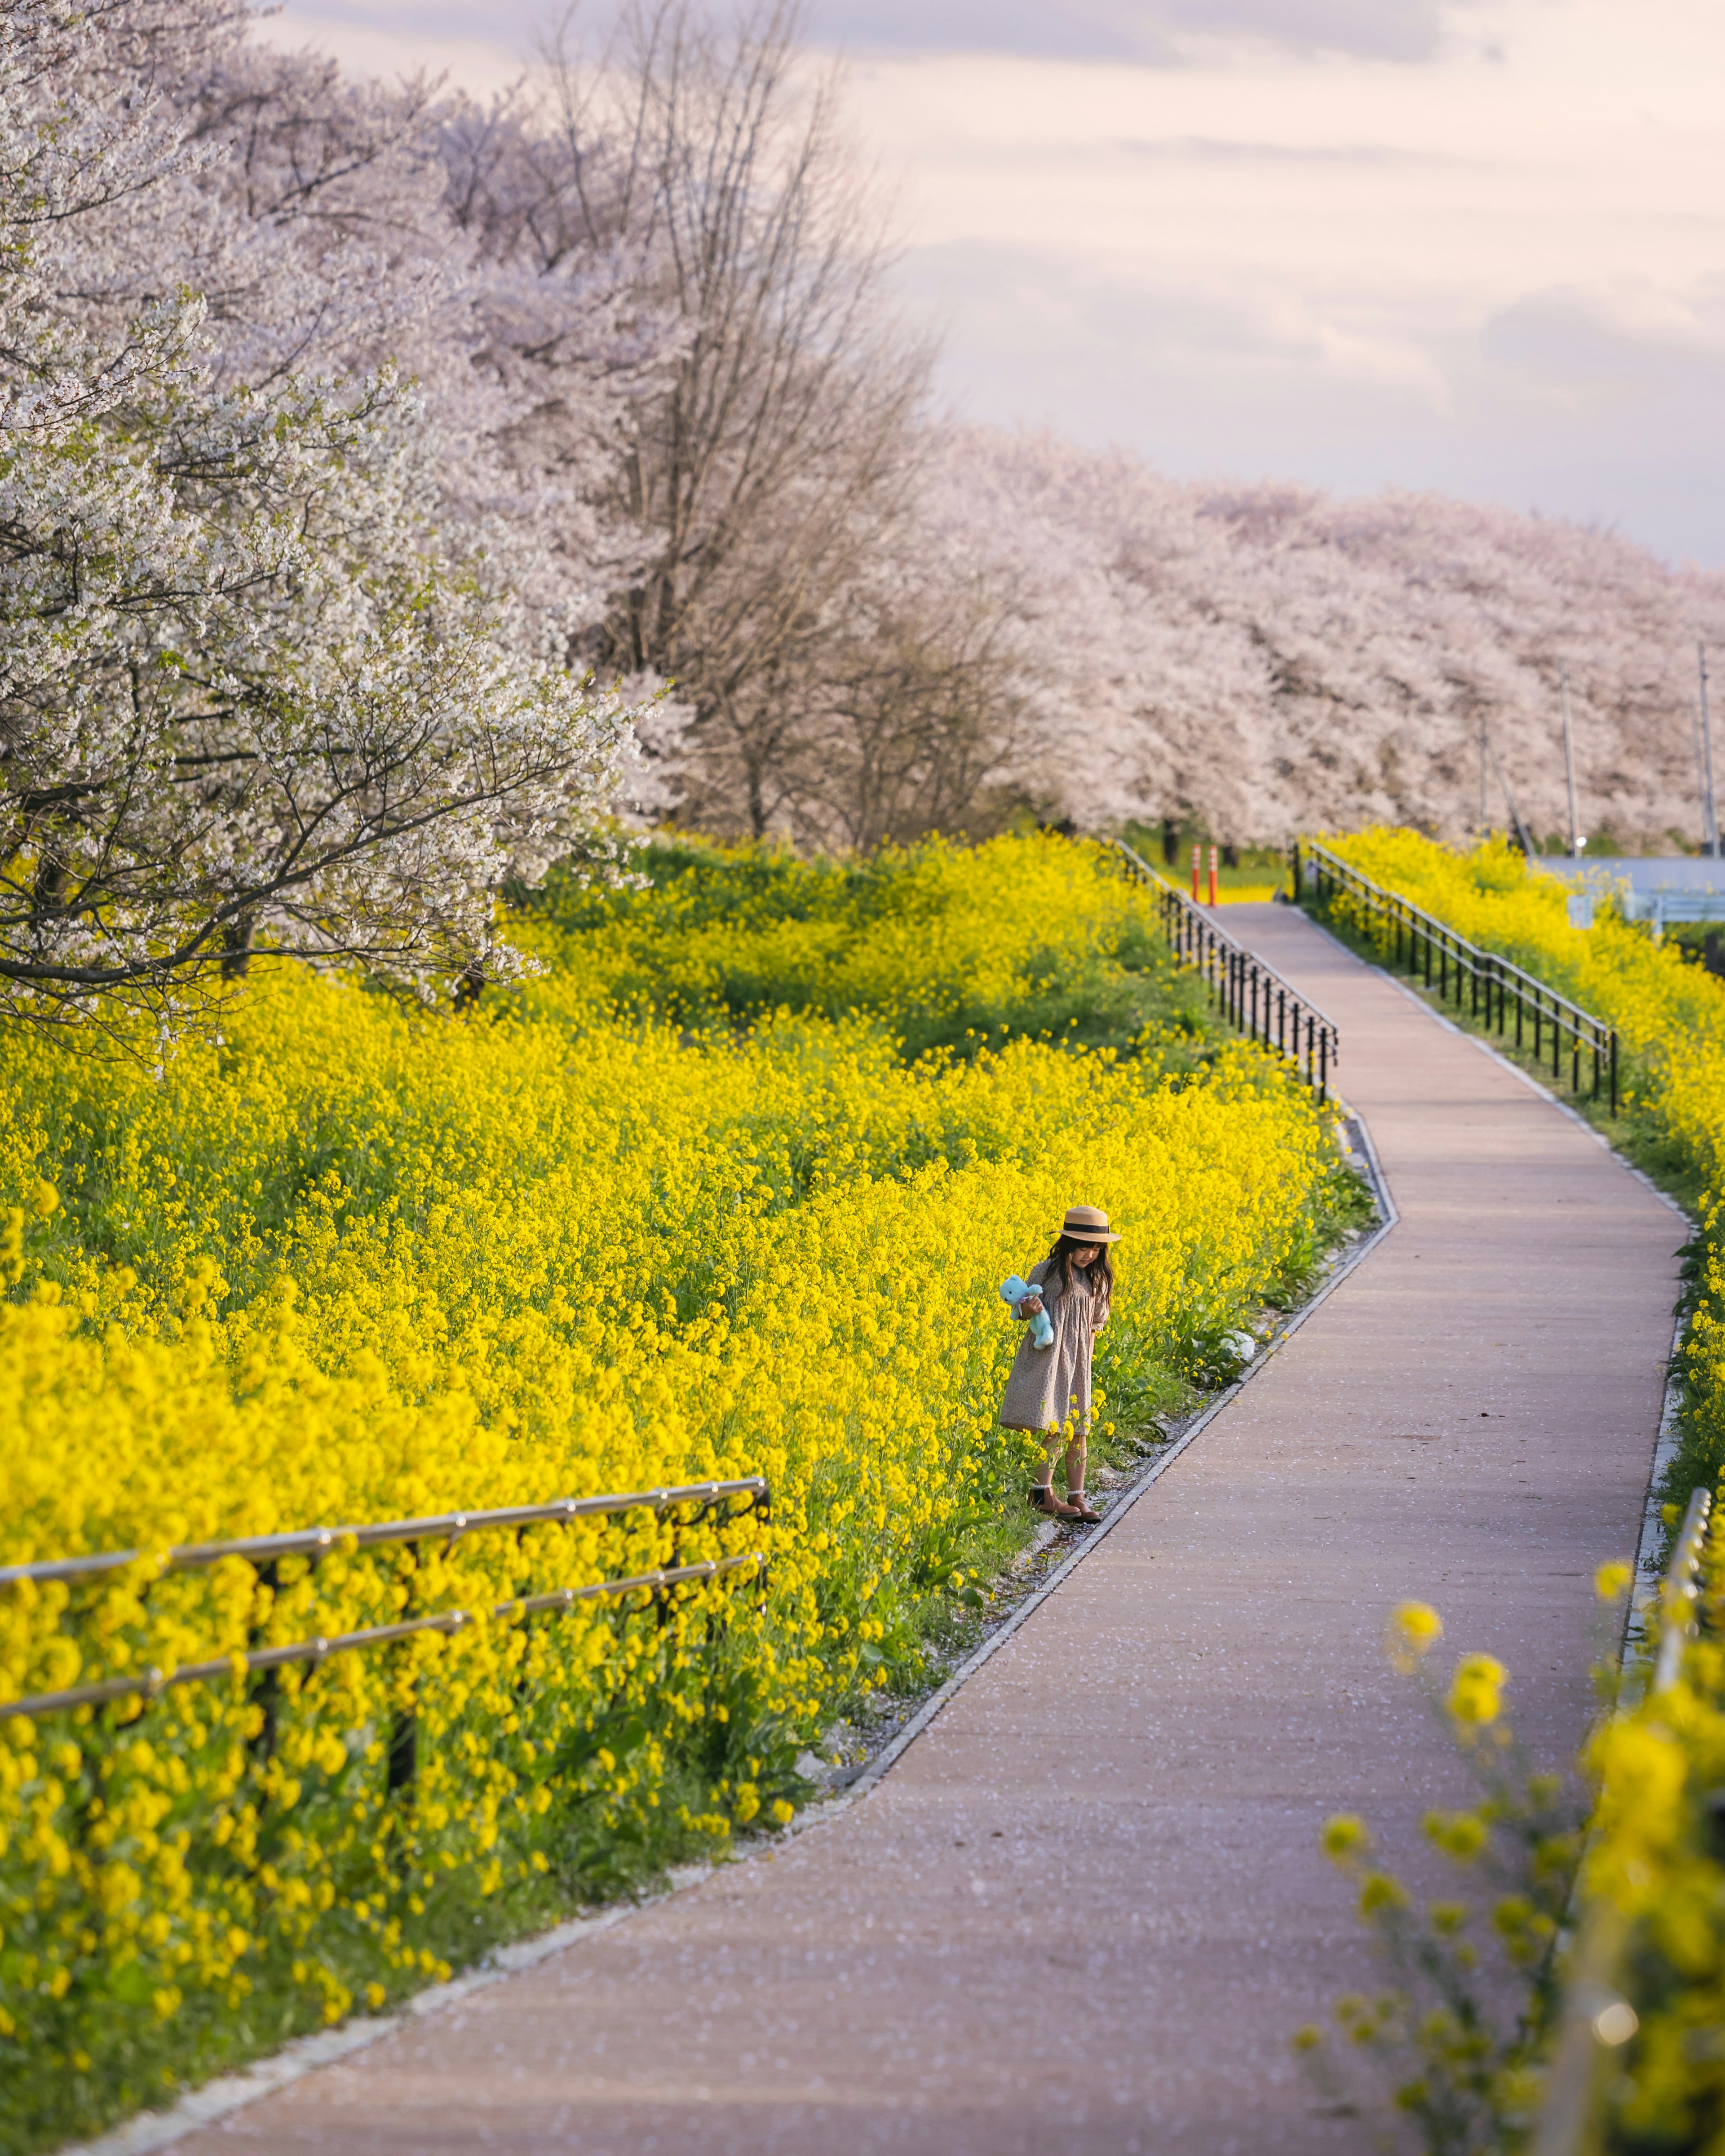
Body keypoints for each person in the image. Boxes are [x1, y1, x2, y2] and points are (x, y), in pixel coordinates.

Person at [999, 1203, 1120, 1524]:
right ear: (1068, 1243)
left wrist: (1087, 1366)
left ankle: (1077, 1496)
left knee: (1078, 1430)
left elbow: (1095, 1326)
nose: (1090, 1254)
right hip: (1049, 1359)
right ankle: (1042, 1493)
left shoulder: (1098, 1278)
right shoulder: (1045, 1272)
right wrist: (1031, 1308)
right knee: (1054, 1426)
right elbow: (1023, 1314)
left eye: (1096, 1248)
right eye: (1084, 1246)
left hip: (1078, 1361)